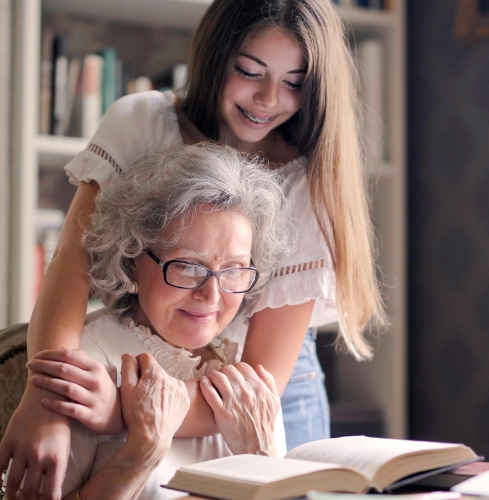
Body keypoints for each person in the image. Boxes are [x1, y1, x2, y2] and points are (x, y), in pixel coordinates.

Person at [0, 0, 387, 498]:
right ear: (215, 57)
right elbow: (72, 267)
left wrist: (121, 410)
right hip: (144, 362)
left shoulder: (306, 182)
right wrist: (47, 399)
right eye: (249, 71)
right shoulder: (142, 124)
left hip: (258, 385)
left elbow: (260, 378)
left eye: (294, 82)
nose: (269, 98)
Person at [22, 143, 291, 499]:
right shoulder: (86, 364)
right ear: (132, 256)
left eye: (234, 270)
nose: (211, 295)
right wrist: (138, 456)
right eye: (187, 266)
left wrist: (261, 459)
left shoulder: (247, 380)